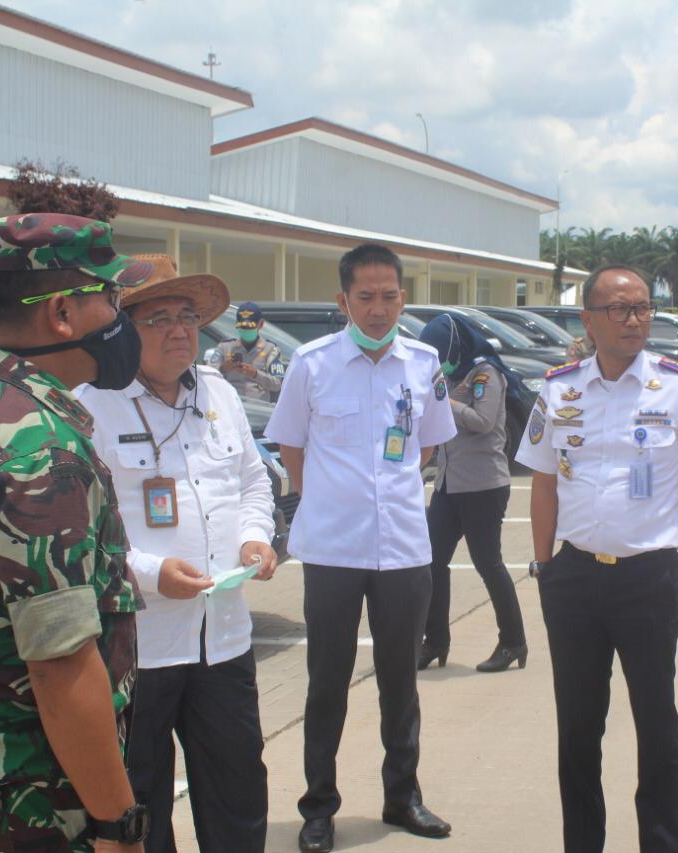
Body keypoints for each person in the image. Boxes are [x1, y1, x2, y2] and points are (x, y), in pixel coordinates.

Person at [0, 214, 151, 851]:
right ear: (62, 313)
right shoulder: (40, 451)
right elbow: (60, 666)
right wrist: (118, 822)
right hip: (30, 804)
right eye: (110, 296)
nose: (120, 317)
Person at [516, 264, 678, 853]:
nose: (633, 319)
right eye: (618, 309)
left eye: (641, 308)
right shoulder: (559, 389)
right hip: (574, 579)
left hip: (648, 581)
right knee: (578, 727)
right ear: (588, 320)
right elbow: (542, 482)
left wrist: (661, 532)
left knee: (657, 724)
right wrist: (544, 565)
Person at [76, 254, 278, 852]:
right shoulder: (91, 404)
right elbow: (85, 529)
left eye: (187, 316)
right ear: (121, 328)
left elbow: (252, 482)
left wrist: (255, 536)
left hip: (224, 638)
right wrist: (148, 572)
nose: (178, 331)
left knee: (238, 788)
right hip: (139, 645)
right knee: (142, 798)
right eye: (158, 318)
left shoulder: (218, 393)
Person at [265, 243, 457, 853]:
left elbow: (428, 445)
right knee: (327, 684)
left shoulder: (423, 363)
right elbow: (291, 445)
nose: (378, 309)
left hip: (403, 547)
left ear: (404, 297)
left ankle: (403, 796)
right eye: (366, 297)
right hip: (333, 550)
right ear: (343, 299)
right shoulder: (312, 363)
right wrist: (325, 499)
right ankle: (319, 806)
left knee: (401, 683)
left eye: (389, 296)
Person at [416, 313, 527, 672]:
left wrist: (446, 404)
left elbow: (484, 422)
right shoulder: (447, 376)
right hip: (448, 484)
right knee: (431, 562)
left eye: (441, 353)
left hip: (483, 485)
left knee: (488, 563)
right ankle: (435, 641)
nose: (439, 361)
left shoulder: (485, 374)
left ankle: (513, 642)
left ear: (456, 347)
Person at [217, 300, 286, 401]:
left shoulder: (271, 350)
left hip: (258, 407)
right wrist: (222, 369)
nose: (246, 330)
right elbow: (208, 377)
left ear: (260, 324)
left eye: (250, 327)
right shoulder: (225, 347)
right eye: (242, 327)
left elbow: (277, 384)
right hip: (230, 404)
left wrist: (255, 374)